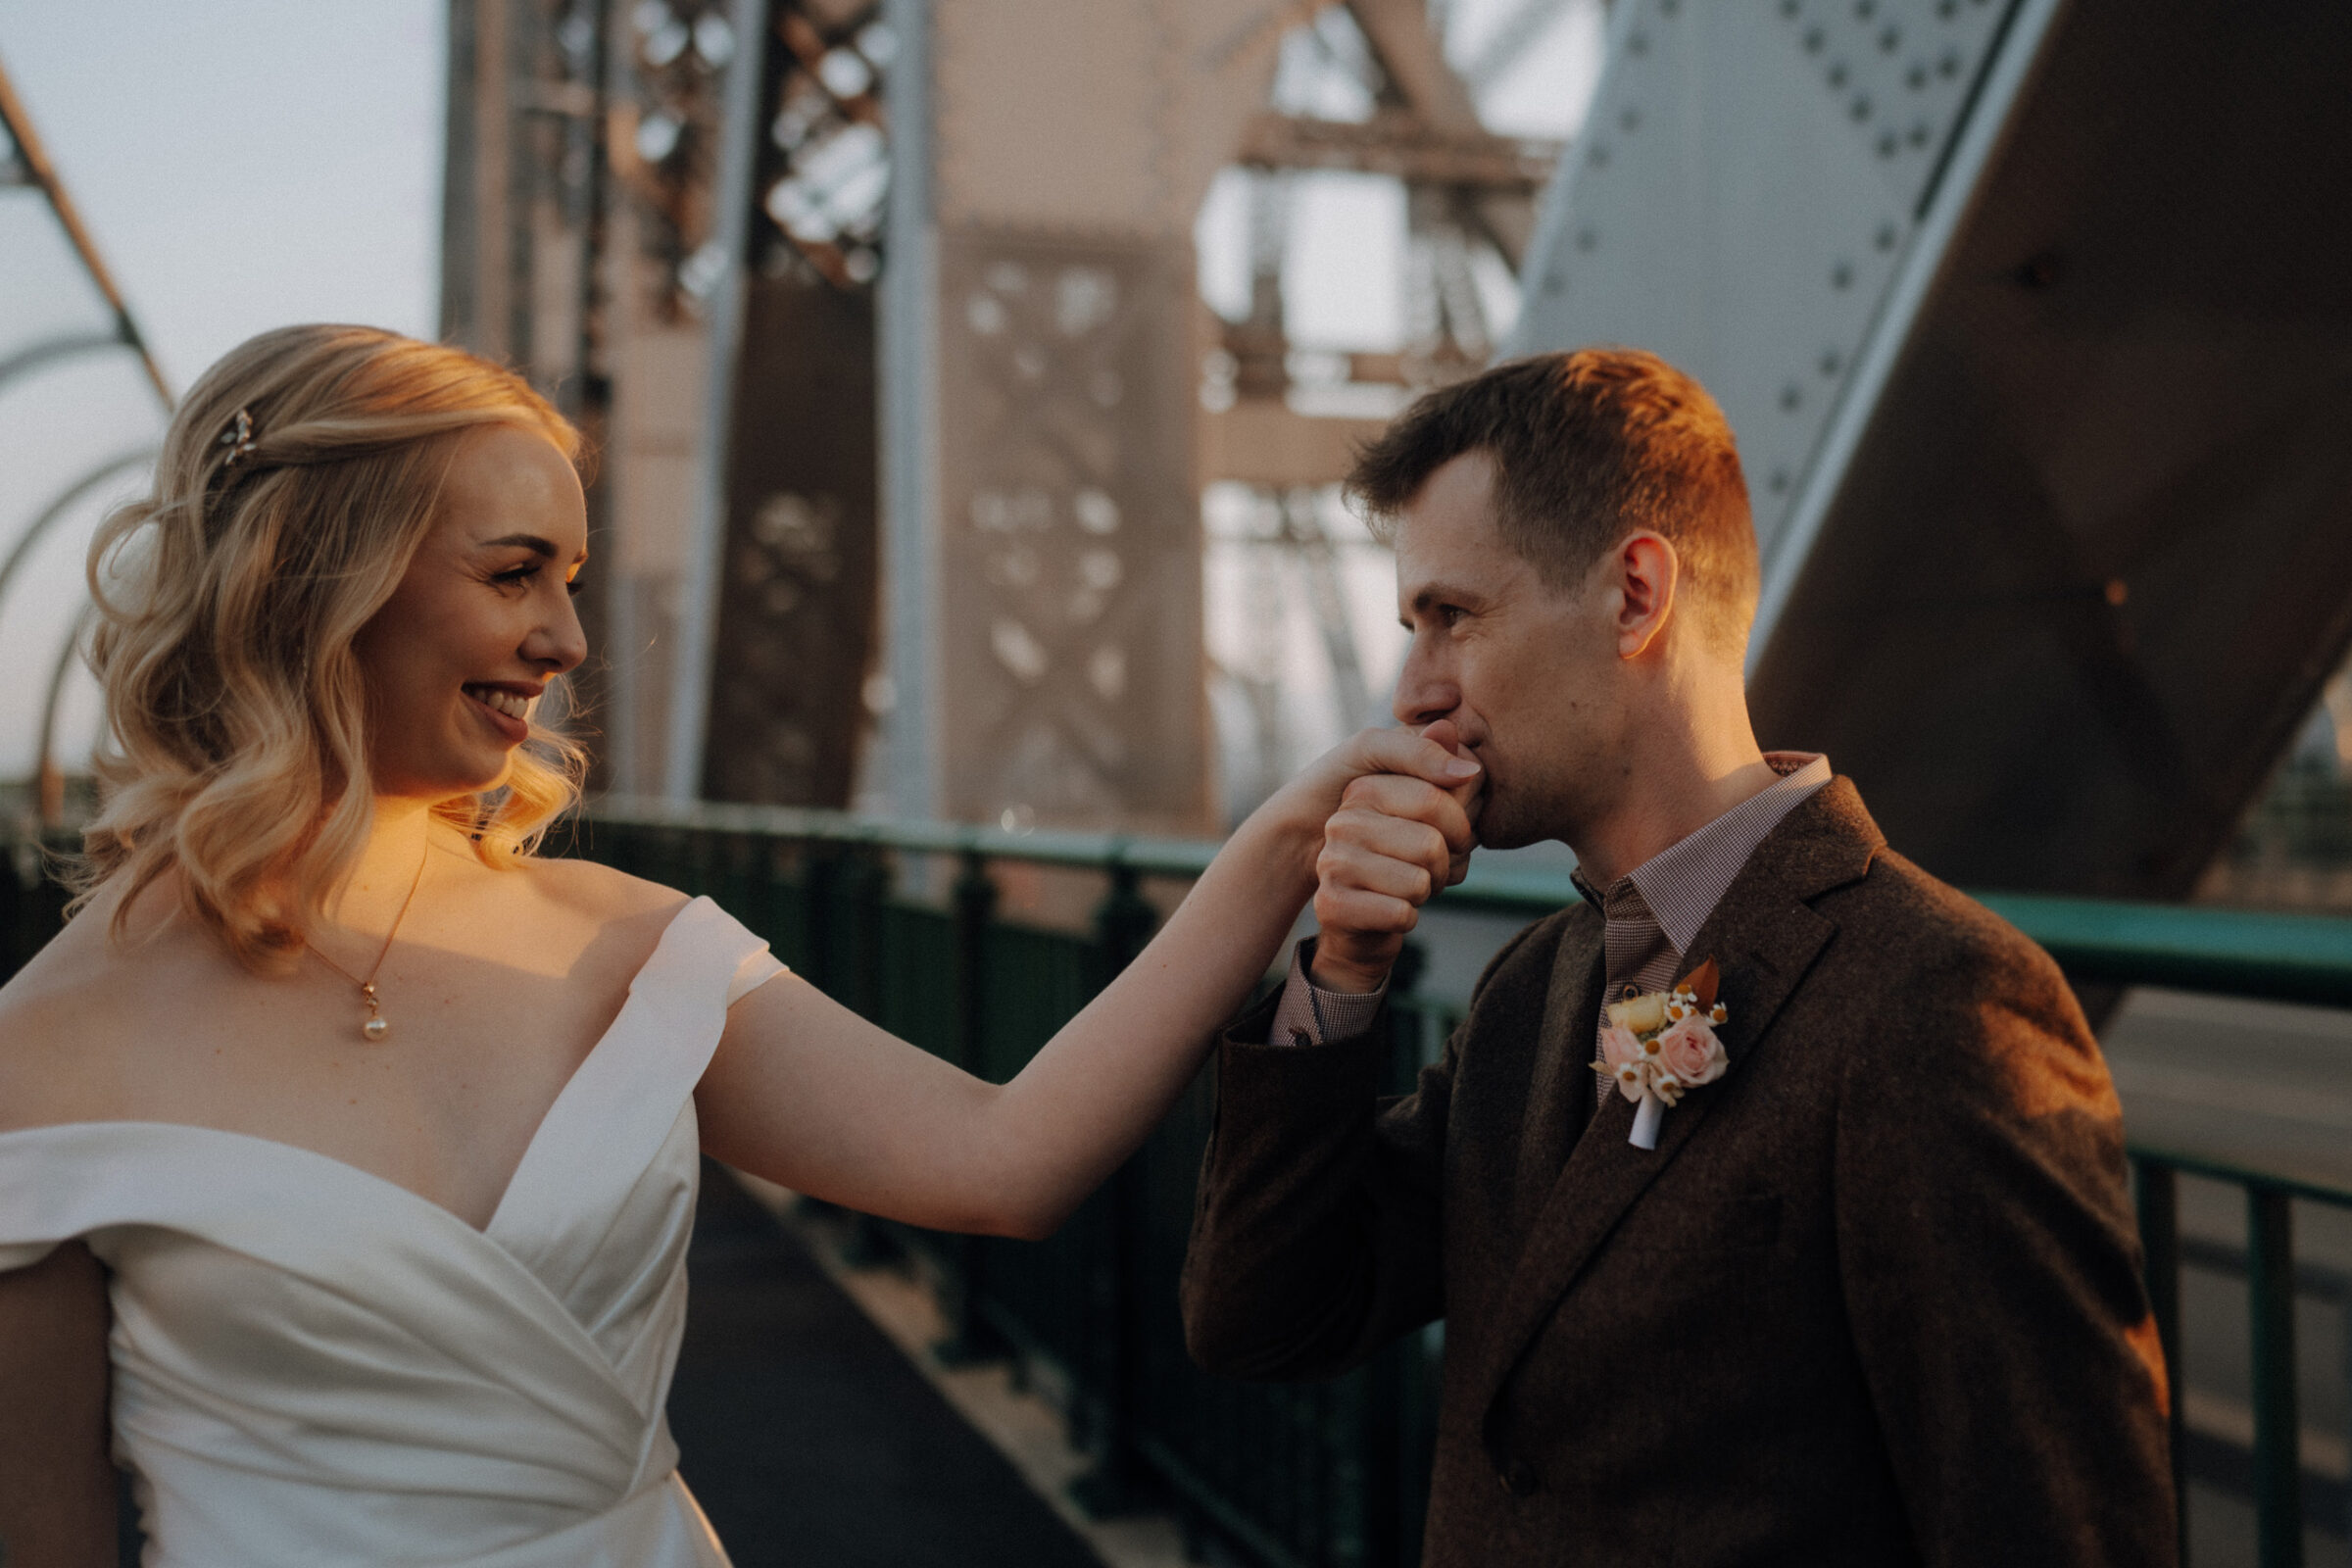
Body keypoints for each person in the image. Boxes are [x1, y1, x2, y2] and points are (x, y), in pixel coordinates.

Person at [0, 323, 1480, 1568]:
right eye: (516, 574)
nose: (570, 642)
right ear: (317, 576)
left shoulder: (636, 951)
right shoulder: (38, 1056)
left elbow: (1005, 1160)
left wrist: (1288, 842)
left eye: (575, 580)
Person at [1180, 349, 2177, 1566]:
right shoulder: (1531, 991)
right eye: (1410, 628)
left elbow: (2063, 1530)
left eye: (1452, 617)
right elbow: (1262, 1319)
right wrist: (1339, 974)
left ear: (1636, 596)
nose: (1411, 693)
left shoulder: (1939, 1002)